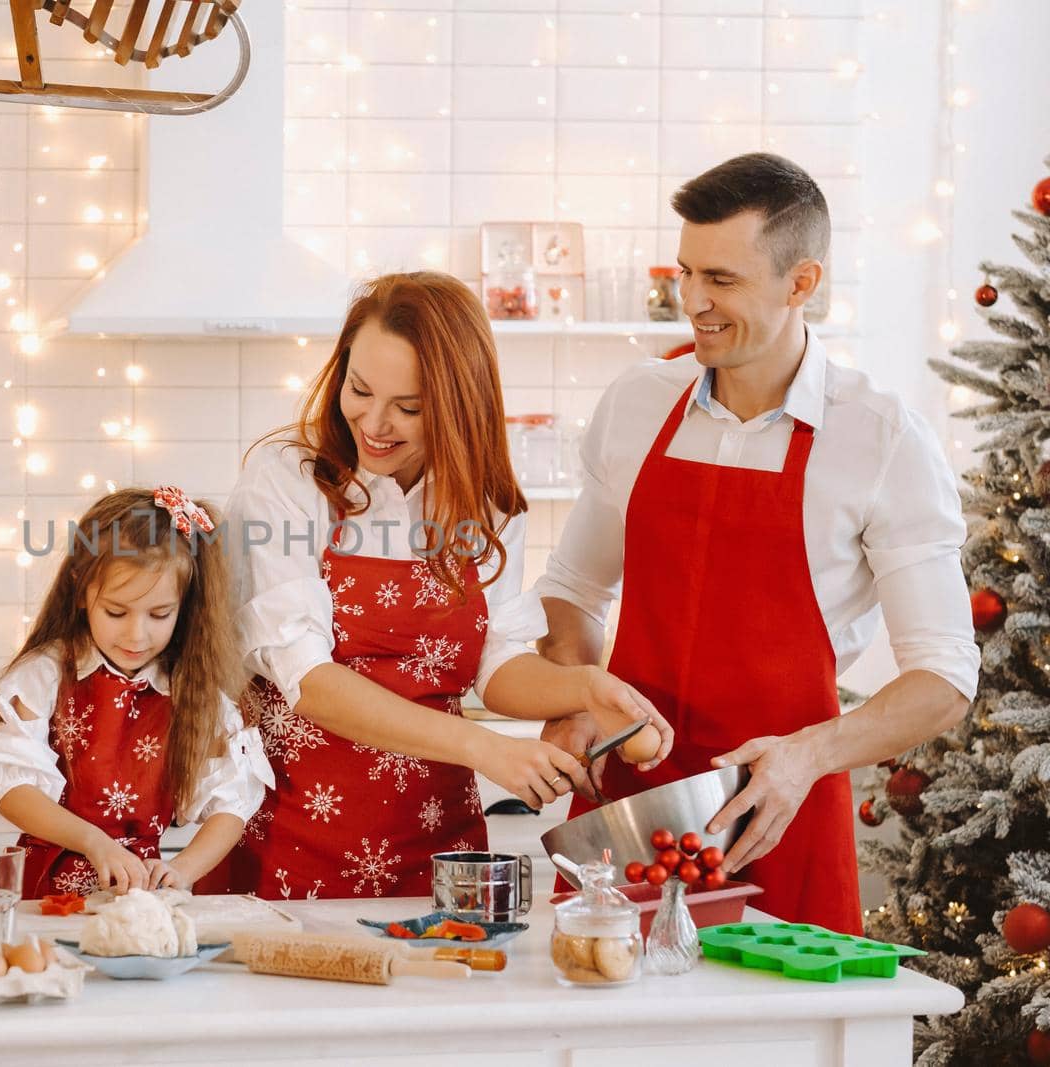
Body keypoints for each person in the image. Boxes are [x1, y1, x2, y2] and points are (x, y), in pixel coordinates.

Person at [535, 153, 978, 933]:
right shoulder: (638, 403)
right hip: (628, 809)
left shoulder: (881, 440)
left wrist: (806, 755)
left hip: (780, 812)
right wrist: (576, 696)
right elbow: (575, 585)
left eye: (723, 280)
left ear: (802, 283)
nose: (693, 302)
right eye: (686, 272)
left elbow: (943, 676)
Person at [220, 272, 673, 900]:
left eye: (408, 407)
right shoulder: (287, 482)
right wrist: (484, 748)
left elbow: (497, 661)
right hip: (292, 841)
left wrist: (582, 688)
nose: (374, 424)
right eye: (359, 390)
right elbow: (309, 682)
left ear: (461, 403)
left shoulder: (485, 504)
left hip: (442, 850)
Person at [0, 487, 273, 898]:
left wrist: (182, 870)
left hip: (138, 896)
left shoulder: (192, 690)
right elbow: (9, 789)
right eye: (116, 612)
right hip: (44, 898)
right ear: (80, 588)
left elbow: (233, 803)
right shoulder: (44, 675)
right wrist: (95, 843)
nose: (136, 634)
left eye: (159, 614)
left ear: (186, 606)